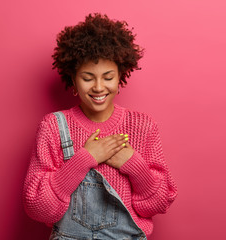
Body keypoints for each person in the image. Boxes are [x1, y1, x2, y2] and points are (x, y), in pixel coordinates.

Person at [23, 13, 178, 239]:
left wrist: (134, 165)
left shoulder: (143, 125)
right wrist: (85, 158)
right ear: (73, 79)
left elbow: (158, 204)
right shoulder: (54, 126)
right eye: (87, 78)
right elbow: (38, 208)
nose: (98, 87)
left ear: (120, 77)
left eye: (108, 77)